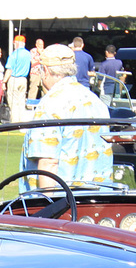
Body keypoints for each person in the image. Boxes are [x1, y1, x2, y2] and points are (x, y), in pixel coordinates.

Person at [22, 43, 111, 187]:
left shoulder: (49, 104)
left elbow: (48, 163)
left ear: (45, 70)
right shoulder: (95, 100)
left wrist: (47, 206)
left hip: (63, 203)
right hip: (96, 200)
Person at [6, 34, 32, 123]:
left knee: (13, 102)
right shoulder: (28, 53)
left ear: (16, 43)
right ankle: (22, 120)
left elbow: (9, 69)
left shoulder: (14, 54)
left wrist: (4, 81)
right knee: (21, 101)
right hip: (24, 79)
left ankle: (15, 121)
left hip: (14, 79)